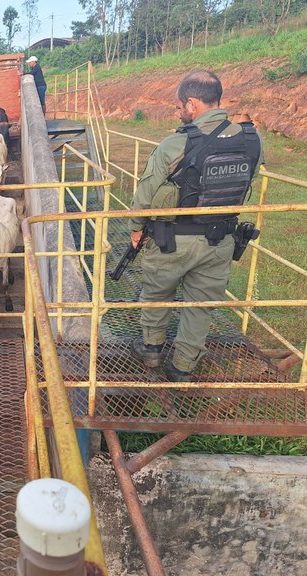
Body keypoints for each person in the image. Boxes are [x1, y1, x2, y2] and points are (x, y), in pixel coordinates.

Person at [128, 70, 263, 382]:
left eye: (179, 107)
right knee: (200, 305)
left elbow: (145, 194)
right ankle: (183, 369)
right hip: (221, 240)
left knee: (157, 294)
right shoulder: (252, 141)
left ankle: (151, 349)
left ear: (191, 103)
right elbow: (248, 182)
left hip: (171, 240)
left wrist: (136, 229)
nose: (179, 113)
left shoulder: (176, 144)